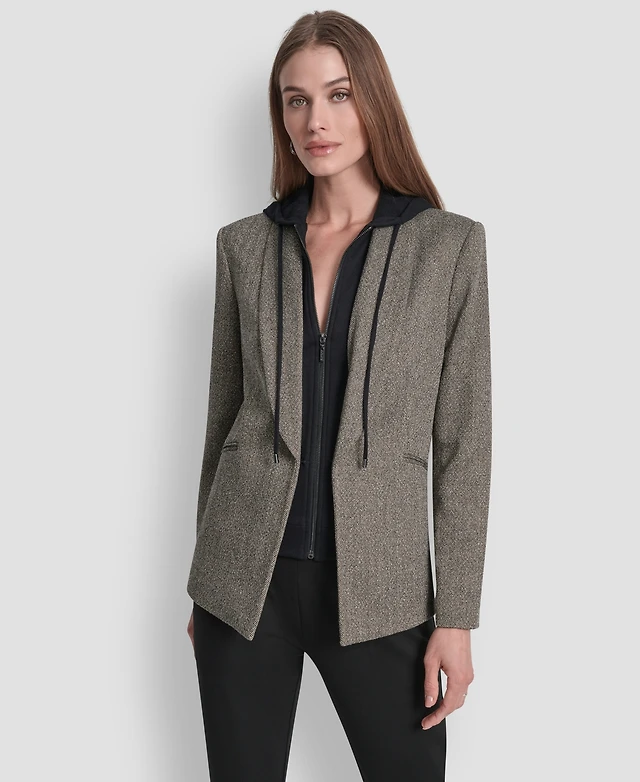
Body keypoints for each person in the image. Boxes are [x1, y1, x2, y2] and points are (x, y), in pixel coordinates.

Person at [186, 10, 492, 781]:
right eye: (296, 100)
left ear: (373, 101)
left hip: (382, 589)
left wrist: (456, 617)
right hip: (243, 586)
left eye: (338, 94)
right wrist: (208, 582)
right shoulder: (244, 247)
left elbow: (464, 443)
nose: (315, 120)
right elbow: (222, 421)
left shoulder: (448, 246)